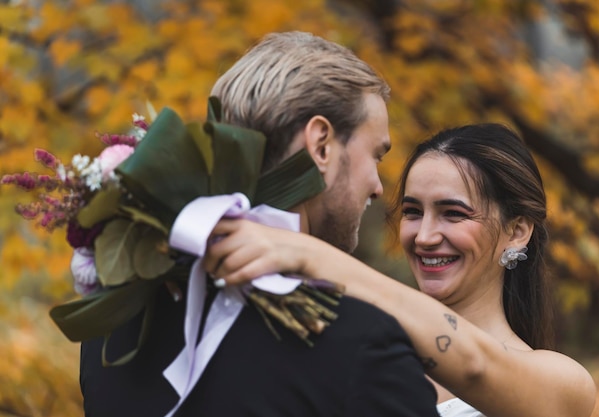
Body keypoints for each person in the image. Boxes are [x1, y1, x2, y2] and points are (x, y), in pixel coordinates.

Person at [79, 31, 440, 416]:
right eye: (376, 155)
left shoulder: (113, 328)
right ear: (321, 145)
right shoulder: (360, 344)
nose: (378, 188)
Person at [204, 123, 597, 417]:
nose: (424, 236)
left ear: (517, 231)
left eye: (453, 214)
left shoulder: (564, 383)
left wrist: (313, 256)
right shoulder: (361, 353)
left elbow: (475, 367)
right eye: (412, 212)